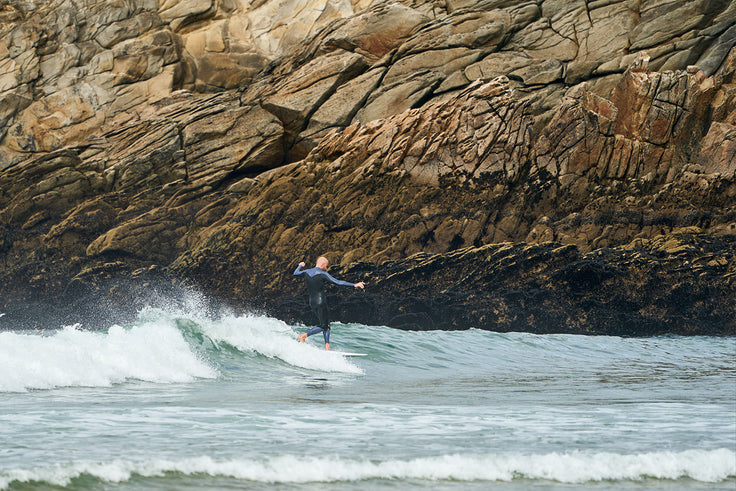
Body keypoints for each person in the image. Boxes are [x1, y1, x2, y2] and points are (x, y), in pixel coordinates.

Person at [293, 256, 365, 350]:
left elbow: (295, 273)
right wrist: (354, 285)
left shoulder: (306, 272)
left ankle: (327, 346)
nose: (326, 268)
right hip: (321, 302)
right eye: (326, 266)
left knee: (325, 323)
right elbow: (338, 282)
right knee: (324, 325)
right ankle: (303, 336)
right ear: (322, 265)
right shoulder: (322, 274)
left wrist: (300, 266)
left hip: (312, 302)